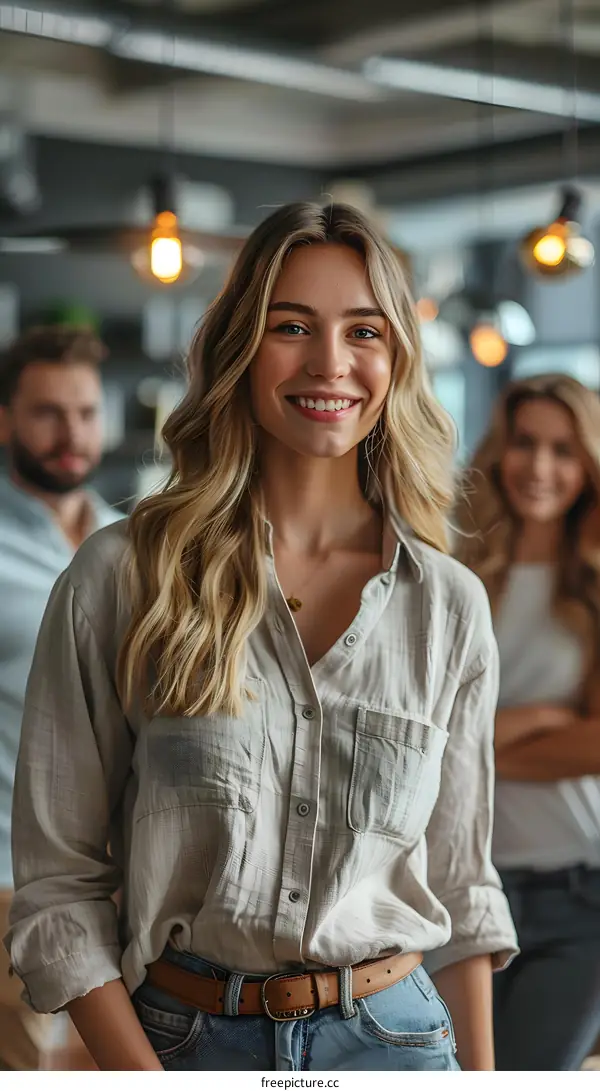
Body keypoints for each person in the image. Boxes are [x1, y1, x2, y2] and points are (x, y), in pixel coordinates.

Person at [6, 203, 517, 1073]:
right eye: (291, 326)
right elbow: (59, 885)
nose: (330, 362)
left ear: (395, 359)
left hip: (399, 1040)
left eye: (364, 330)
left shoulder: (451, 606)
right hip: (183, 1043)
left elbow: (464, 891)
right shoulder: (122, 577)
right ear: (240, 349)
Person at [455, 373, 600, 1071]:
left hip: (580, 894)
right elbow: (420, 726)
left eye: (564, 450)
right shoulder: (459, 568)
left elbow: (596, 743)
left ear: (589, 463)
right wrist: (540, 718)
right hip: (459, 885)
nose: (540, 467)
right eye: (525, 443)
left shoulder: (595, 585)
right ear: (499, 449)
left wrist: (472, 743)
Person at [0, 325, 124, 1070]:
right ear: (5, 419)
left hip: (125, 882)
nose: (70, 433)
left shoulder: (133, 541)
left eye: (83, 411)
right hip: (7, 878)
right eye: (47, 412)